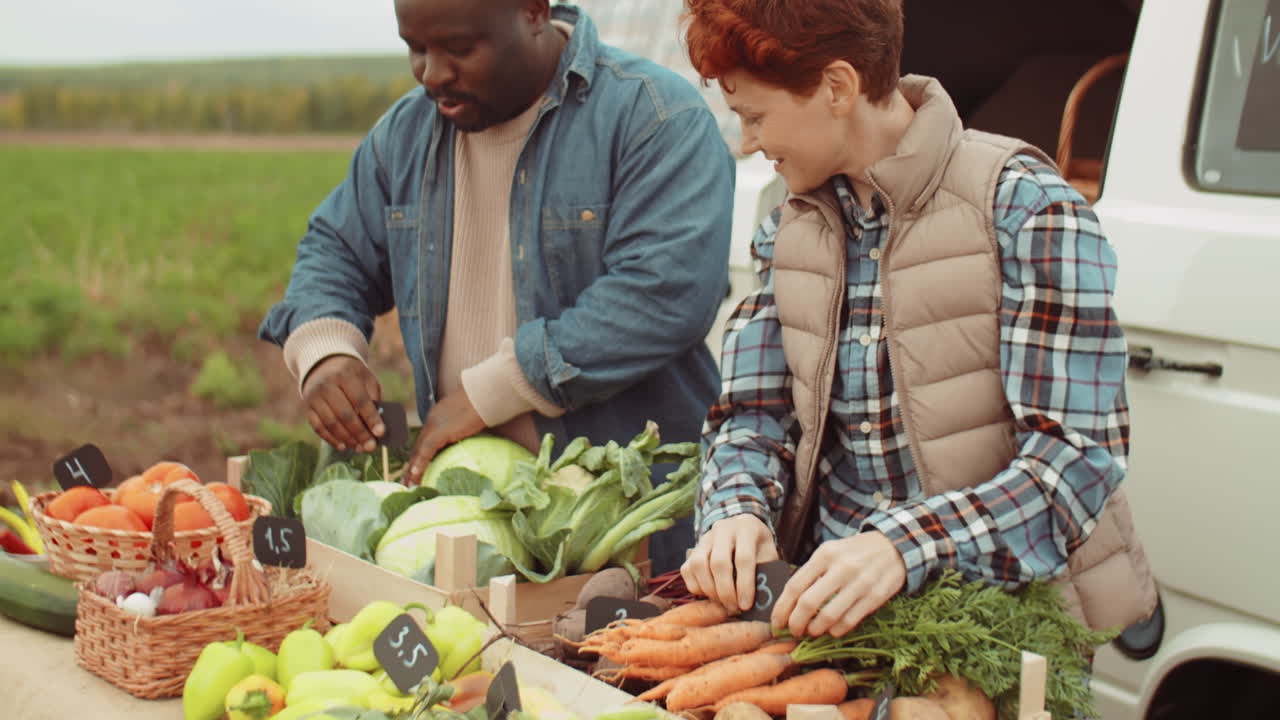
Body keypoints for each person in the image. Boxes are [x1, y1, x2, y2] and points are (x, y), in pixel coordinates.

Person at [678, 0, 1157, 638]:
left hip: (996, 624)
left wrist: (901, 547)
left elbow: (1073, 464)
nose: (748, 143)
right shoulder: (787, 229)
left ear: (838, 87)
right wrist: (737, 509)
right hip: (830, 618)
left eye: (756, 116)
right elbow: (753, 414)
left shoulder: (1027, 210)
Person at [258, 0, 736, 573]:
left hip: (621, 522)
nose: (433, 73)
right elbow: (335, 249)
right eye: (416, 48)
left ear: (534, 11)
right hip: (470, 524)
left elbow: (666, 292)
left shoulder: (653, 116)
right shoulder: (404, 137)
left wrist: (496, 391)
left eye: (459, 49)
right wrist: (326, 352)